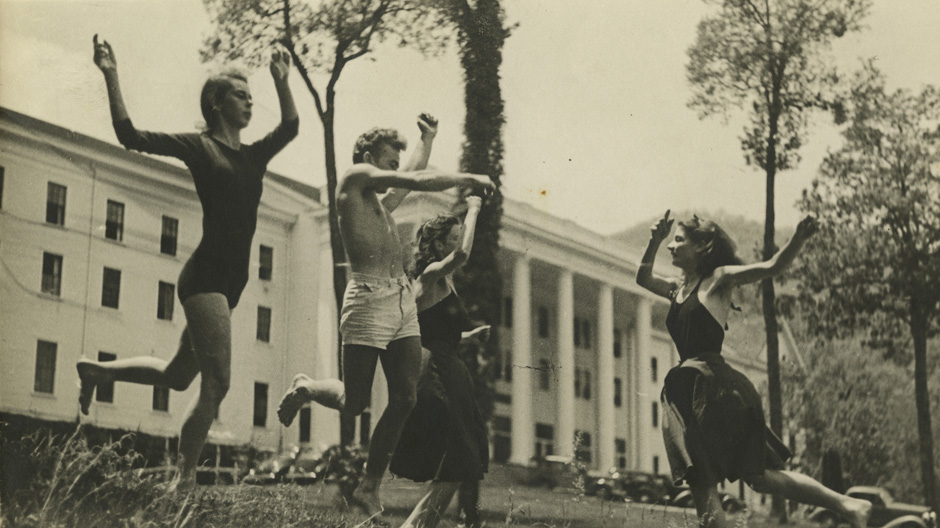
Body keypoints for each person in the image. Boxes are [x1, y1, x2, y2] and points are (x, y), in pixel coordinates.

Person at [76, 35, 298, 491]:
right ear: (217, 103)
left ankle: (98, 370)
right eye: (241, 94)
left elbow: (291, 126)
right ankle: (185, 480)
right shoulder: (200, 148)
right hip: (206, 277)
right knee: (218, 382)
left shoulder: (254, 156)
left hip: (229, 285)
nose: (250, 103)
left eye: (252, 97)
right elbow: (130, 136)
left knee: (179, 377)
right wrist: (111, 74)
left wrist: (282, 81)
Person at [277, 118, 494, 521]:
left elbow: (407, 176)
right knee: (355, 402)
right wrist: (466, 178)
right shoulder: (353, 181)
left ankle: (369, 485)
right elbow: (406, 178)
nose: (393, 168)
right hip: (367, 301)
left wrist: (427, 142)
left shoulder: (378, 205)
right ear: (367, 159)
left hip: (399, 304)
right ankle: (306, 387)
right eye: (387, 160)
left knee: (405, 396)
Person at [636, 210, 872, 528]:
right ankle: (849, 505)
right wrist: (653, 240)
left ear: (701, 246)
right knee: (752, 478)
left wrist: (798, 240)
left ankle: (845, 504)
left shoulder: (718, 279)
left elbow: (772, 267)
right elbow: (642, 277)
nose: (671, 246)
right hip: (688, 391)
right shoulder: (676, 288)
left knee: (708, 482)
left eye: (678, 240)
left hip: (712, 389)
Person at [390, 198, 491, 528]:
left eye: (459, 235)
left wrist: (470, 336)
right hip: (435, 377)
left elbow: (440, 335)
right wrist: (473, 209)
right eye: (452, 236)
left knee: (459, 465)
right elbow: (462, 255)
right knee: (460, 462)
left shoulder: (443, 284)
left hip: (451, 373)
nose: (458, 243)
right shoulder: (430, 275)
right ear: (436, 244)